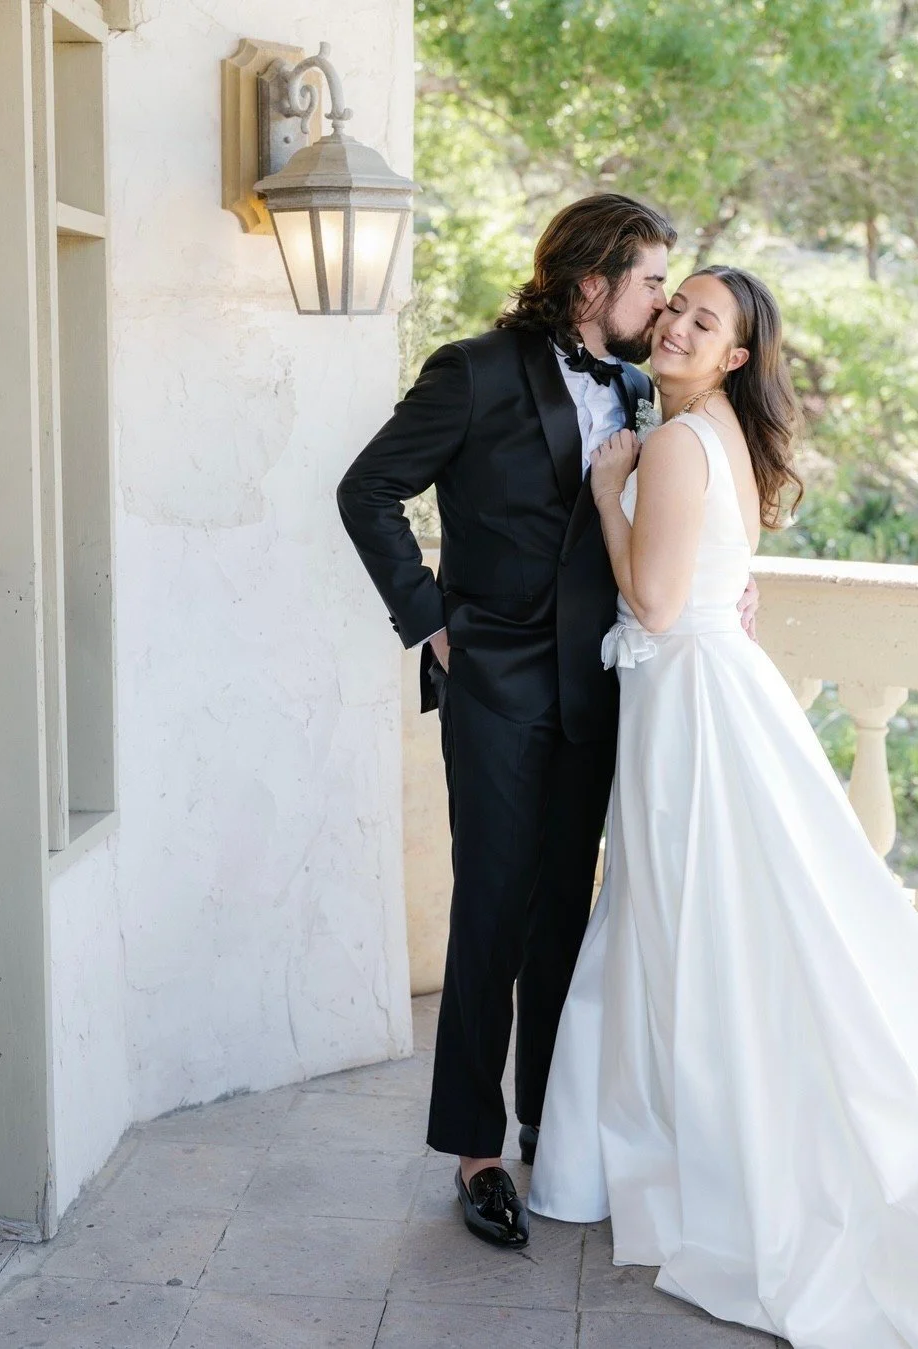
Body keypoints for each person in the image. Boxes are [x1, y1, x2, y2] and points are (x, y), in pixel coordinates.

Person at [528, 264, 918, 1345]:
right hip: (711, 690)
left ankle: (703, 1146)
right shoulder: (715, 430)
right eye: (673, 304)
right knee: (728, 919)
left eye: (703, 320)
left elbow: (659, 599)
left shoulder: (673, 442)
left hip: (693, 705)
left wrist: (605, 490)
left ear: (733, 356)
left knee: (700, 920)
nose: (676, 321)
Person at [337, 197, 762, 1248]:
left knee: (567, 921)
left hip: (603, 690)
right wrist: (431, 620)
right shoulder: (471, 371)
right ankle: (477, 1151)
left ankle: (550, 1128)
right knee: (490, 909)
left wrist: (726, 588)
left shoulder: (634, 388)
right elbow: (369, 488)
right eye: (652, 281)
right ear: (592, 281)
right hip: (495, 687)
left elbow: (663, 525)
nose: (663, 302)